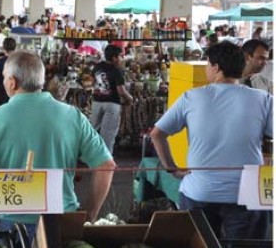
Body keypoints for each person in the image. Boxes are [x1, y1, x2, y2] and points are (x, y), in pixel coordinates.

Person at [0, 51, 115, 244]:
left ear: (12, 82)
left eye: (5, 78)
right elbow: (106, 165)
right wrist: (91, 214)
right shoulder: (73, 116)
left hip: (13, 223)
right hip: (63, 221)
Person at [150, 42, 272, 240]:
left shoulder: (192, 97)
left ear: (216, 67)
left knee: (200, 244)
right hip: (248, 193)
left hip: (199, 191)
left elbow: (157, 134)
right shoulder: (263, 99)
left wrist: (172, 168)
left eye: (207, 63)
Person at [90, 45, 133, 154]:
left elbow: (91, 83)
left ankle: (89, 156)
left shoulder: (97, 67)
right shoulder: (117, 70)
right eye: (120, 56)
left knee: (92, 131)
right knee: (107, 135)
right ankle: (106, 161)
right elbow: (121, 91)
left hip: (97, 103)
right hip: (112, 104)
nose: (121, 59)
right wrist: (130, 98)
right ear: (114, 58)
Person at [0, 37, 17, 107]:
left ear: (4, 48)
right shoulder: (19, 61)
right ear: (15, 47)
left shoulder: (1, 62)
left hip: (4, 93)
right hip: (18, 93)